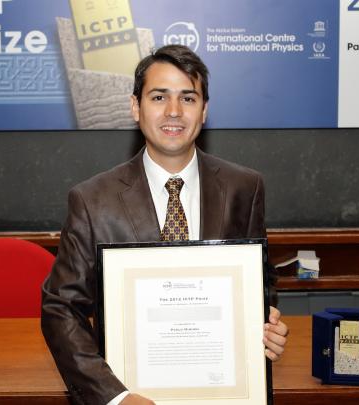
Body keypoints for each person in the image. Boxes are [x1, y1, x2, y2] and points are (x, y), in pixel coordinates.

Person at [41, 44, 288, 405]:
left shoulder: (243, 188)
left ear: (204, 111)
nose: (174, 111)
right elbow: (61, 309)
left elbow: (258, 281)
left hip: (222, 392)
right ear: (134, 106)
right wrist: (116, 397)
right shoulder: (93, 200)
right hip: (131, 393)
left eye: (188, 99)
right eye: (159, 97)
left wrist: (265, 324)